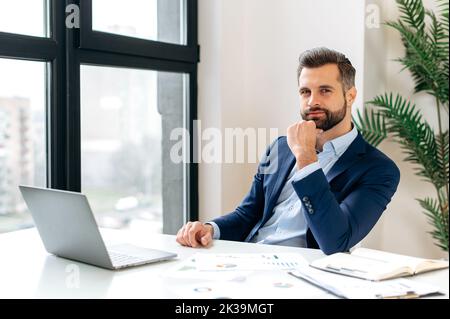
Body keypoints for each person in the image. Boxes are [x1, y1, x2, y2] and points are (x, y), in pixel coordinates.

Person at [176, 47, 400, 255]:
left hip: (304, 276)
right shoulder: (281, 147)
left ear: (350, 96)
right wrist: (209, 229)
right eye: (305, 92)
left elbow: (335, 242)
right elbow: (248, 214)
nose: (313, 102)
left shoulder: (379, 170)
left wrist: (306, 159)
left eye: (325, 91)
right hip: (248, 259)